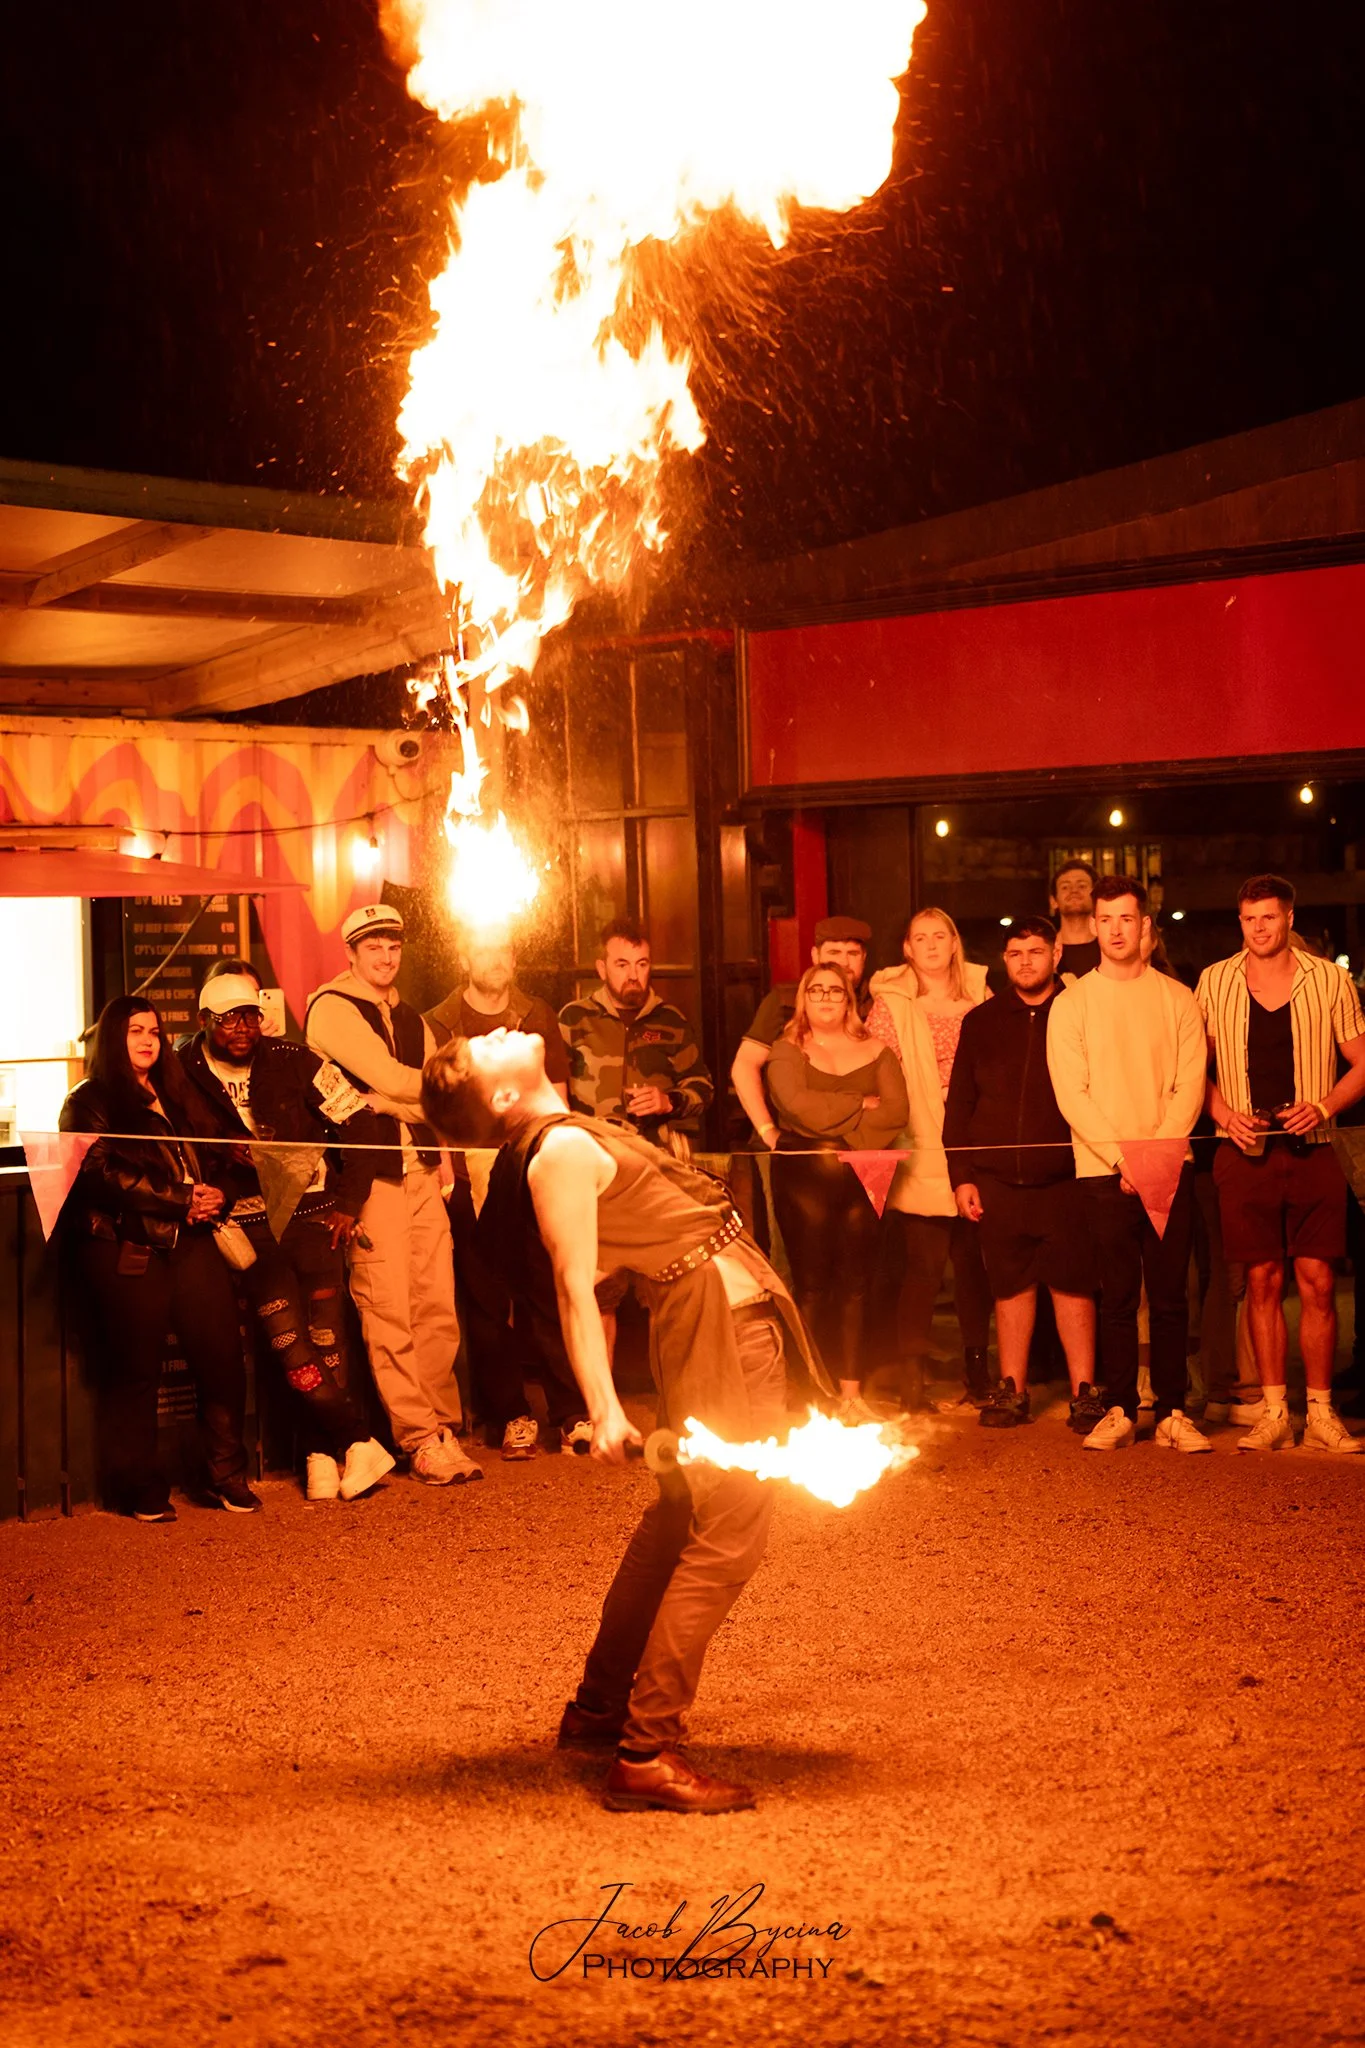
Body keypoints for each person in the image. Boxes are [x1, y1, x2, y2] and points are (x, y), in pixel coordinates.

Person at [420, 1026, 834, 1816]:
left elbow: (608, 1248)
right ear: (501, 1095)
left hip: (702, 1308)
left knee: (682, 1515)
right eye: (482, 1047)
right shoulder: (559, 1155)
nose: (497, 1029)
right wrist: (604, 1406)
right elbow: (575, 1288)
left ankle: (600, 1710)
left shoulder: (566, 1136)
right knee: (731, 1528)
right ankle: (646, 1750)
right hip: (716, 1322)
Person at [178, 972, 396, 1503]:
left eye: (250, 1015)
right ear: (205, 1022)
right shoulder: (184, 1067)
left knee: (329, 1342)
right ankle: (357, 1438)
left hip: (316, 1212)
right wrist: (219, 1149)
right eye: (229, 1018)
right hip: (250, 1224)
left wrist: (348, 1203)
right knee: (288, 1344)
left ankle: (321, 1456)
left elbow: (361, 1122)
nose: (242, 1027)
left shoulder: (297, 1059)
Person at [58, 997, 255, 1521]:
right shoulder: (88, 1099)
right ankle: (139, 1490)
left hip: (194, 1241)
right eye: (133, 1031)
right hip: (131, 1247)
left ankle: (225, 1476)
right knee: (135, 1373)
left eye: (154, 1030)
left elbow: (222, 1154)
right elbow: (94, 1172)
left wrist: (219, 1195)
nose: (148, 1040)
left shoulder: (179, 1088)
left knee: (221, 1360)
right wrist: (179, 1198)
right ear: (111, 1039)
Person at [305, 904, 477, 1485]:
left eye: (393, 946)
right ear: (350, 953)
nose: (385, 956)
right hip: (371, 1176)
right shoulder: (331, 1008)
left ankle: (441, 1426)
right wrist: (403, 1095)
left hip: (422, 1167)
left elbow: (437, 1094)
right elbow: (403, 1079)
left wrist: (392, 1100)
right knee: (388, 1307)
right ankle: (417, 1438)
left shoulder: (409, 1015)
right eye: (373, 946)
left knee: (436, 1305)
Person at [1196, 875, 1365, 1454]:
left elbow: (1362, 1062)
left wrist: (1323, 1105)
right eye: (1249, 919)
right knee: (1261, 1282)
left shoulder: (1330, 979)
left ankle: (1320, 1410)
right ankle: (1274, 1411)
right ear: (1239, 921)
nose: (1259, 928)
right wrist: (1223, 1114)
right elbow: (1197, 1068)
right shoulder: (1215, 980)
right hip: (1244, 1151)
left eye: (1269, 917)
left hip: (1315, 1148)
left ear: (1289, 918)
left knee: (1317, 1281)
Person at [1046, 876, 1209, 1452]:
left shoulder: (1179, 998)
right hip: (1100, 1170)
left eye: (1127, 919)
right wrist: (1123, 1158)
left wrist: (1156, 1158)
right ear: (1094, 926)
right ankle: (1119, 1406)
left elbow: (1189, 1087)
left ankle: (1171, 1409)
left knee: (1169, 1298)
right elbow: (1074, 1095)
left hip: (1170, 1165)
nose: (1116, 930)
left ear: (1145, 924)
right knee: (1115, 1296)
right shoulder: (1072, 1004)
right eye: (1106, 920)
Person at [426, 931, 590, 1458]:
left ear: (513, 958)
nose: (493, 958)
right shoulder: (440, 1021)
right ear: (466, 955)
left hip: (530, 1164)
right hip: (470, 1175)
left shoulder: (537, 1014)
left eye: (501, 950)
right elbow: (439, 1109)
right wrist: (447, 1174)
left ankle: (570, 1413)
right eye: (483, 948)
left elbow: (557, 1096)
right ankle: (512, 1414)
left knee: (548, 1290)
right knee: (486, 1301)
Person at [943, 918, 1101, 1431]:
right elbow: (961, 1104)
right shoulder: (982, 1021)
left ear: (1057, 954)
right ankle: (1012, 1390)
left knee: (1074, 1285)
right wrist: (961, 1175)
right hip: (995, 1178)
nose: (1026, 961)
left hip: (1066, 1176)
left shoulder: (1078, 1014)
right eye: (1016, 953)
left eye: (1036, 951)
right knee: (1009, 1287)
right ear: (1004, 960)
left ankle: (1085, 1391)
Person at [763, 964, 909, 1413]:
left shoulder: (878, 1050)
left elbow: (896, 1112)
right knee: (810, 1287)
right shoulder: (787, 1050)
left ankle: (850, 1393)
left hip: (866, 1177)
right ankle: (808, 1393)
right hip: (804, 1182)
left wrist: (842, 1135)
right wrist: (858, 1105)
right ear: (804, 998)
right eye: (816, 990)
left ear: (850, 999)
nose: (826, 998)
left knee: (857, 1286)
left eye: (836, 991)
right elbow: (799, 1108)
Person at [870, 907, 994, 1410]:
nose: (931, 944)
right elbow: (880, 1069)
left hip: (974, 1138)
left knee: (973, 1267)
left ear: (954, 940)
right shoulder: (891, 1004)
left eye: (940, 935)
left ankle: (979, 1373)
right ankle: (912, 1382)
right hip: (920, 1139)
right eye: (920, 937)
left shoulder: (980, 997)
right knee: (922, 1267)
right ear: (907, 947)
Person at [731, 916, 897, 1150]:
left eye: (853, 953)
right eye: (834, 952)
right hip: (791, 1140)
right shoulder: (785, 1000)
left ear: (864, 958)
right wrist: (768, 1132)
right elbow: (745, 1065)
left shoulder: (878, 1002)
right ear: (815, 956)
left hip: (861, 1146)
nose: (844, 962)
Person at [558, 919, 713, 1143]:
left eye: (641, 964)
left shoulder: (671, 1021)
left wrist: (668, 1101)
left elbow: (703, 1088)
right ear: (602, 969)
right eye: (622, 965)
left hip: (653, 1156)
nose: (633, 975)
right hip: (590, 1154)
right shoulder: (574, 1019)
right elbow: (550, 1092)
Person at [1050, 860, 1101, 980]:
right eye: (1065, 887)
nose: (1074, 891)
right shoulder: (1045, 953)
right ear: (1053, 901)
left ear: (1096, 897)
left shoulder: (1111, 948)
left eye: (1082, 886)